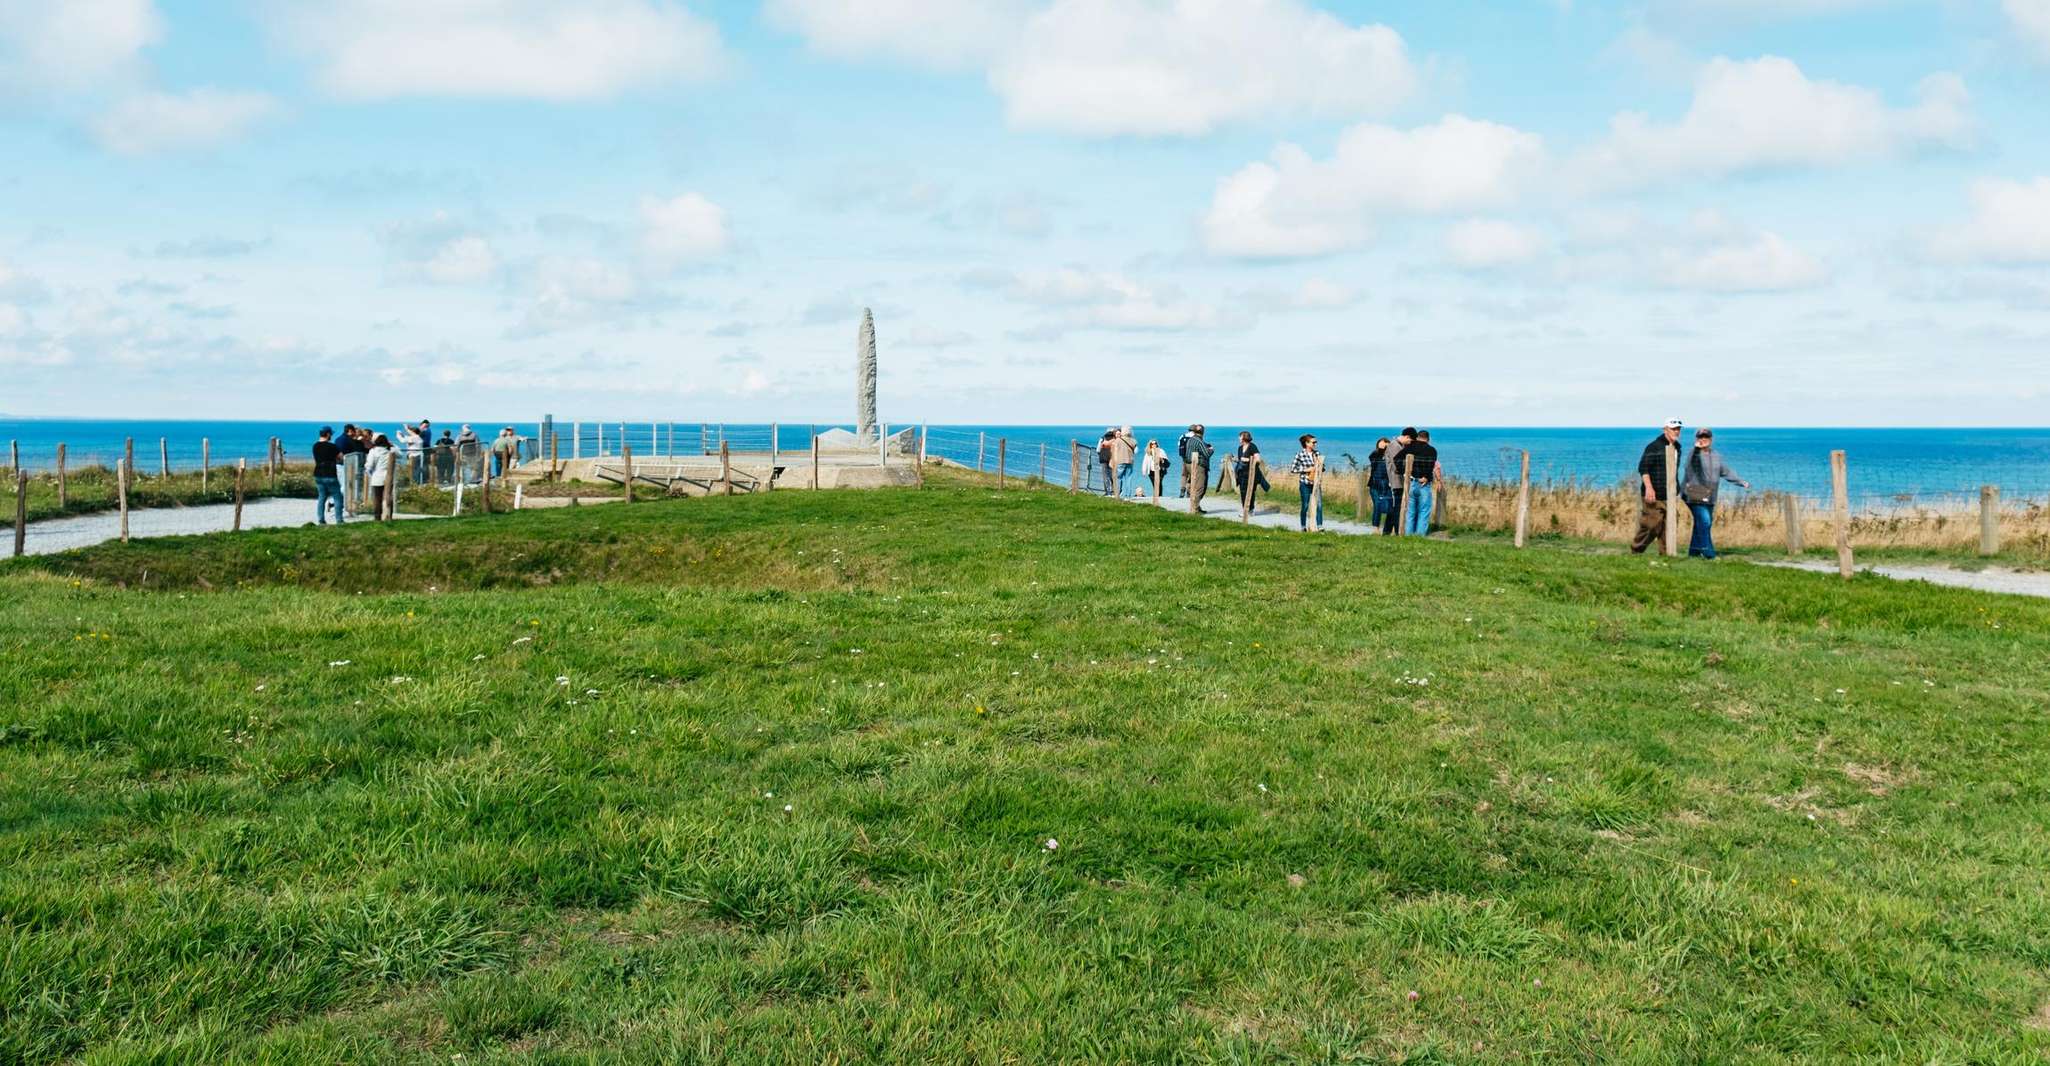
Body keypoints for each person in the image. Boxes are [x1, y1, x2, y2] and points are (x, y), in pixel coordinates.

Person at [1680, 427, 1751, 559]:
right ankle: (1709, 554)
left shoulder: (1716, 456)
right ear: (1696, 439)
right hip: (1693, 495)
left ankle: (1694, 552)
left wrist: (1740, 482)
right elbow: (1689, 465)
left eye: (1706, 437)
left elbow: (1725, 471)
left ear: (1711, 439)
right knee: (1705, 522)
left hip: (1710, 496)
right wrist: (1696, 449)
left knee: (1701, 523)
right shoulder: (1693, 454)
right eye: (1700, 437)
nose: (1703, 439)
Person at [1632, 419, 1685, 555]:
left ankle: (1666, 554)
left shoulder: (1677, 448)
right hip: (1654, 494)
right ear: (1665, 429)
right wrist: (1649, 488)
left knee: (1670, 525)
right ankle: (1636, 550)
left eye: (1678, 429)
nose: (1676, 431)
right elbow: (1643, 468)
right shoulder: (1654, 447)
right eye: (1673, 429)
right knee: (1652, 524)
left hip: (1670, 494)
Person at [1401, 430, 1442, 536]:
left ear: (1417, 437)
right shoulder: (1432, 450)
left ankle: (1408, 535)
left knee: (1410, 512)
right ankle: (1420, 536)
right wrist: (1427, 477)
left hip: (1412, 482)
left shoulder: (1409, 447)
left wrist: (1405, 473)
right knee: (1424, 511)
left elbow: (1397, 459)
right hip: (1424, 485)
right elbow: (1431, 465)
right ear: (1428, 439)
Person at [1381, 428, 1415, 535]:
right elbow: (1398, 464)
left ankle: (1386, 532)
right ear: (1407, 437)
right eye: (1410, 441)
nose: (1410, 443)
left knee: (1394, 508)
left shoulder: (1398, 445)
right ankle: (1397, 531)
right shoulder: (1395, 446)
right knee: (1397, 508)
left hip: (1397, 480)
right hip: (1396, 481)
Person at [1288, 433, 1324, 530]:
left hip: (1316, 483)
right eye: (1313, 442)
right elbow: (1293, 469)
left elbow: (1323, 468)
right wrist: (1306, 470)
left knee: (1319, 505)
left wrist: (1320, 467)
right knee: (1305, 505)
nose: (1315, 444)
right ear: (1306, 443)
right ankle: (1303, 526)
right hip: (1305, 483)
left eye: (1316, 442)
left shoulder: (1317, 454)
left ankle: (1319, 526)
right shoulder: (1299, 455)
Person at [311, 427, 344, 525]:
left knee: (322, 497)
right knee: (337, 497)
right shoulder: (332, 446)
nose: (331, 436)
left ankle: (321, 520)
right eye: (331, 434)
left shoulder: (315, 446)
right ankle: (339, 520)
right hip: (330, 474)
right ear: (328, 434)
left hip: (318, 474)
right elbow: (341, 457)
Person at [1230, 432, 1269, 508]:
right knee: (1243, 492)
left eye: (1240, 436)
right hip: (1241, 473)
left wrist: (1248, 459)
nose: (1239, 438)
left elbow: (1258, 459)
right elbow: (1241, 460)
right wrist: (1235, 459)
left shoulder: (1252, 446)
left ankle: (1250, 509)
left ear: (1244, 438)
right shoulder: (1240, 448)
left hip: (1251, 473)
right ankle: (1245, 510)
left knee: (1251, 492)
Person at [337, 423, 368, 517]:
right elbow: (360, 449)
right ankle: (345, 506)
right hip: (347, 465)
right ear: (350, 431)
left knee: (345, 485)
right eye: (354, 431)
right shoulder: (349, 440)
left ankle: (340, 504)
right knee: (346, 486)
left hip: (340, 465)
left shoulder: (338, 439)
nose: (355, 433)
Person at [1367, 437, 1396, 533]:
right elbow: (1371, 457)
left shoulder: (1391, 457)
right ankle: (1376, 529)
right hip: (1375, 485)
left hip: (1387, 486)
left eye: (1386, 445)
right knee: (1377, 505)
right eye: (1382, 445)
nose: (1384, 447)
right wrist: (1380, 448)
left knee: (1391, 507)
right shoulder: (1375, 456)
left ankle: (1388, 530)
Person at [1181, 424, 1213, 508]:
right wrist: (1211, 450)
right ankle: (1195, 507)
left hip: (1188, 464)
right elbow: (1207, 454)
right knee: (1200, 487)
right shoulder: (1199, 441)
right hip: (1199, 466)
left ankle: (1196, 506)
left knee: (1194, 486)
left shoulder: (1190, 440)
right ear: (1203, 432)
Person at [365, 433, 395, 521]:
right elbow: (400, 454)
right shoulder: (390, 451)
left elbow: (369, 465)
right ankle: (389, 515)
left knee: (377, 498)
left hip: (377, 477)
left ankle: (377, 517)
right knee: (388, 496)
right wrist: (392, 445)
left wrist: (368, 472)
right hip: (388, 477)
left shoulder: (373, 451)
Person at [1110, 426, 1137, 497]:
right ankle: (1128, 496)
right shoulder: (1133, 441)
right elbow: (1135, 451)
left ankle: (1117, 494)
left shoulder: (1118, 440)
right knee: (1128, 478)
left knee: (1118, 478)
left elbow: (1114, 451)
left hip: (1120, 461)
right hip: (1130, 461)